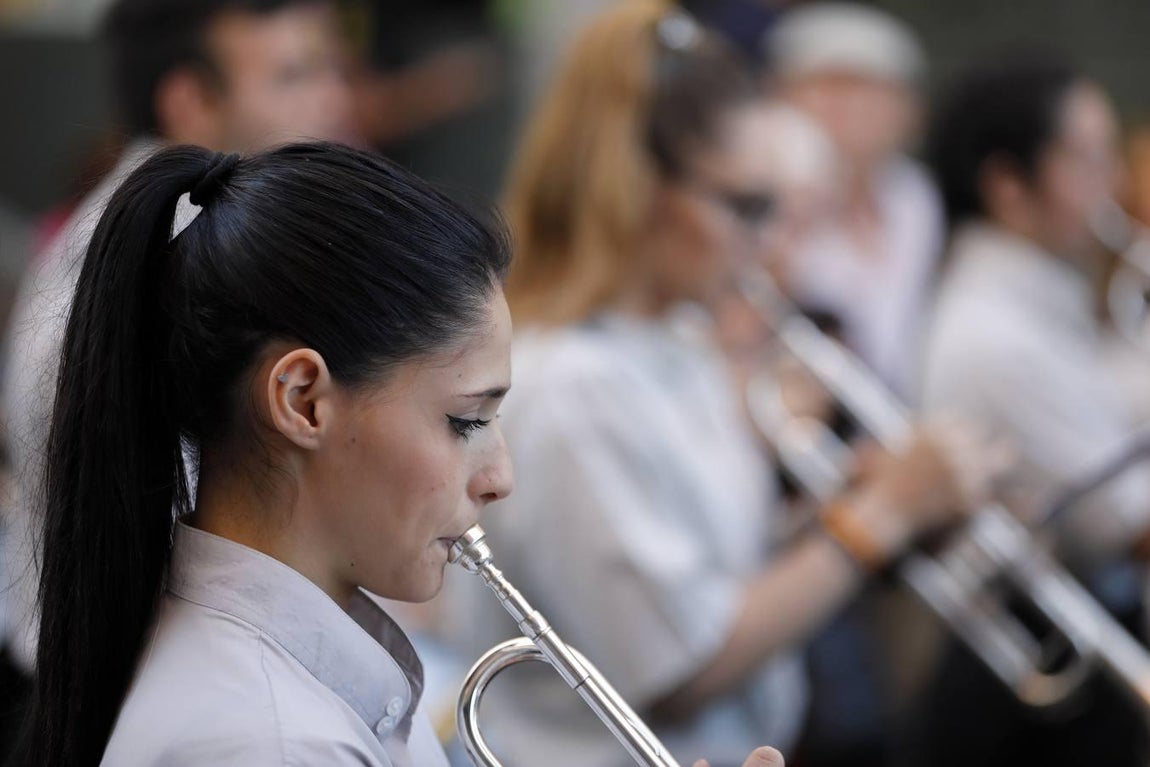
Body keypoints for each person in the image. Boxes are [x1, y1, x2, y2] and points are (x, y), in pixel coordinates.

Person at [11, 140, 785, 767]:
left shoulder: (295, 686)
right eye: (464, 420)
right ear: (303, 400)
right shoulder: (267, 742)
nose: (500, 478)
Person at [437, 4, 1000, 766]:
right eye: (747, 207)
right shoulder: (573, 382)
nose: (767, 244)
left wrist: (847, 508)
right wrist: (878, 517)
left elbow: (710, 571)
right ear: (641, 190)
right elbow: (678, 665)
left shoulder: (674, 341)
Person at [0, 0, 359, 681]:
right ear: (190, 102)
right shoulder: (175, 263)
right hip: (133, 689)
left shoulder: (166, 227)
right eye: (295, 76)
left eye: (332, 70)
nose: (335, 102)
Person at [905, 50, 1150, 767]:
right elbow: (1128, 524)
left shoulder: (1040, 299)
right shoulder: (996, 333)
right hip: (1037, 690)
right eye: (1087, 157)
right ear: (1008, 186)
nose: (1114, 182)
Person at [764, 2, 942, 400]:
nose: (849, 108)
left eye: (870, 88)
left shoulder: (916, 198)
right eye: (828, 86)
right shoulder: (760, 209)